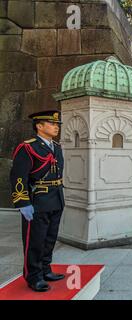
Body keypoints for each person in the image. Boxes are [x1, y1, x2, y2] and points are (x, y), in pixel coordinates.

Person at [10, 110, 65, 292]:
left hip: (56, 198)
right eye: (52, 124)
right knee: (35, 240)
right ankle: (33, 276)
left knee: (50, 238)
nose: (56, 126)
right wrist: (23, 202)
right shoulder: (27, 147)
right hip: (38, 200)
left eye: (57, 124)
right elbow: (19, 177)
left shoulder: (56, 147)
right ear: (39, 126)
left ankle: (45, 269)